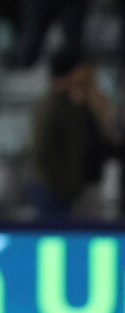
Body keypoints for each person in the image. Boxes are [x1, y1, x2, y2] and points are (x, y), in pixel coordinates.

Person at [28, 50, 111, 222]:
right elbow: (42, 150)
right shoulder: (51, 105)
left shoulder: (74, 102)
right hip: (53, 188)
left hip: (71, 187)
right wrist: (62, 185)